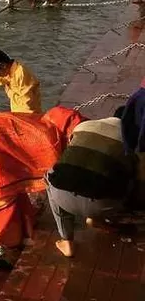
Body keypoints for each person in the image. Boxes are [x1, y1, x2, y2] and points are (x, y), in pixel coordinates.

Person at [0, 105, 84, 256]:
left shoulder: (44, 124)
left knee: (9, 182)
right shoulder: (50, 139)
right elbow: (50, 170)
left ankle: (12, 231)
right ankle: (3, 239)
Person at [46, 107, 136, 257]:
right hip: (105, 206)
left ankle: (67, 241)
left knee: (52, 175)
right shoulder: (130, 138)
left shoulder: (84, 126)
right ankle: (97, 218)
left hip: (63, 198)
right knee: (124, 176)